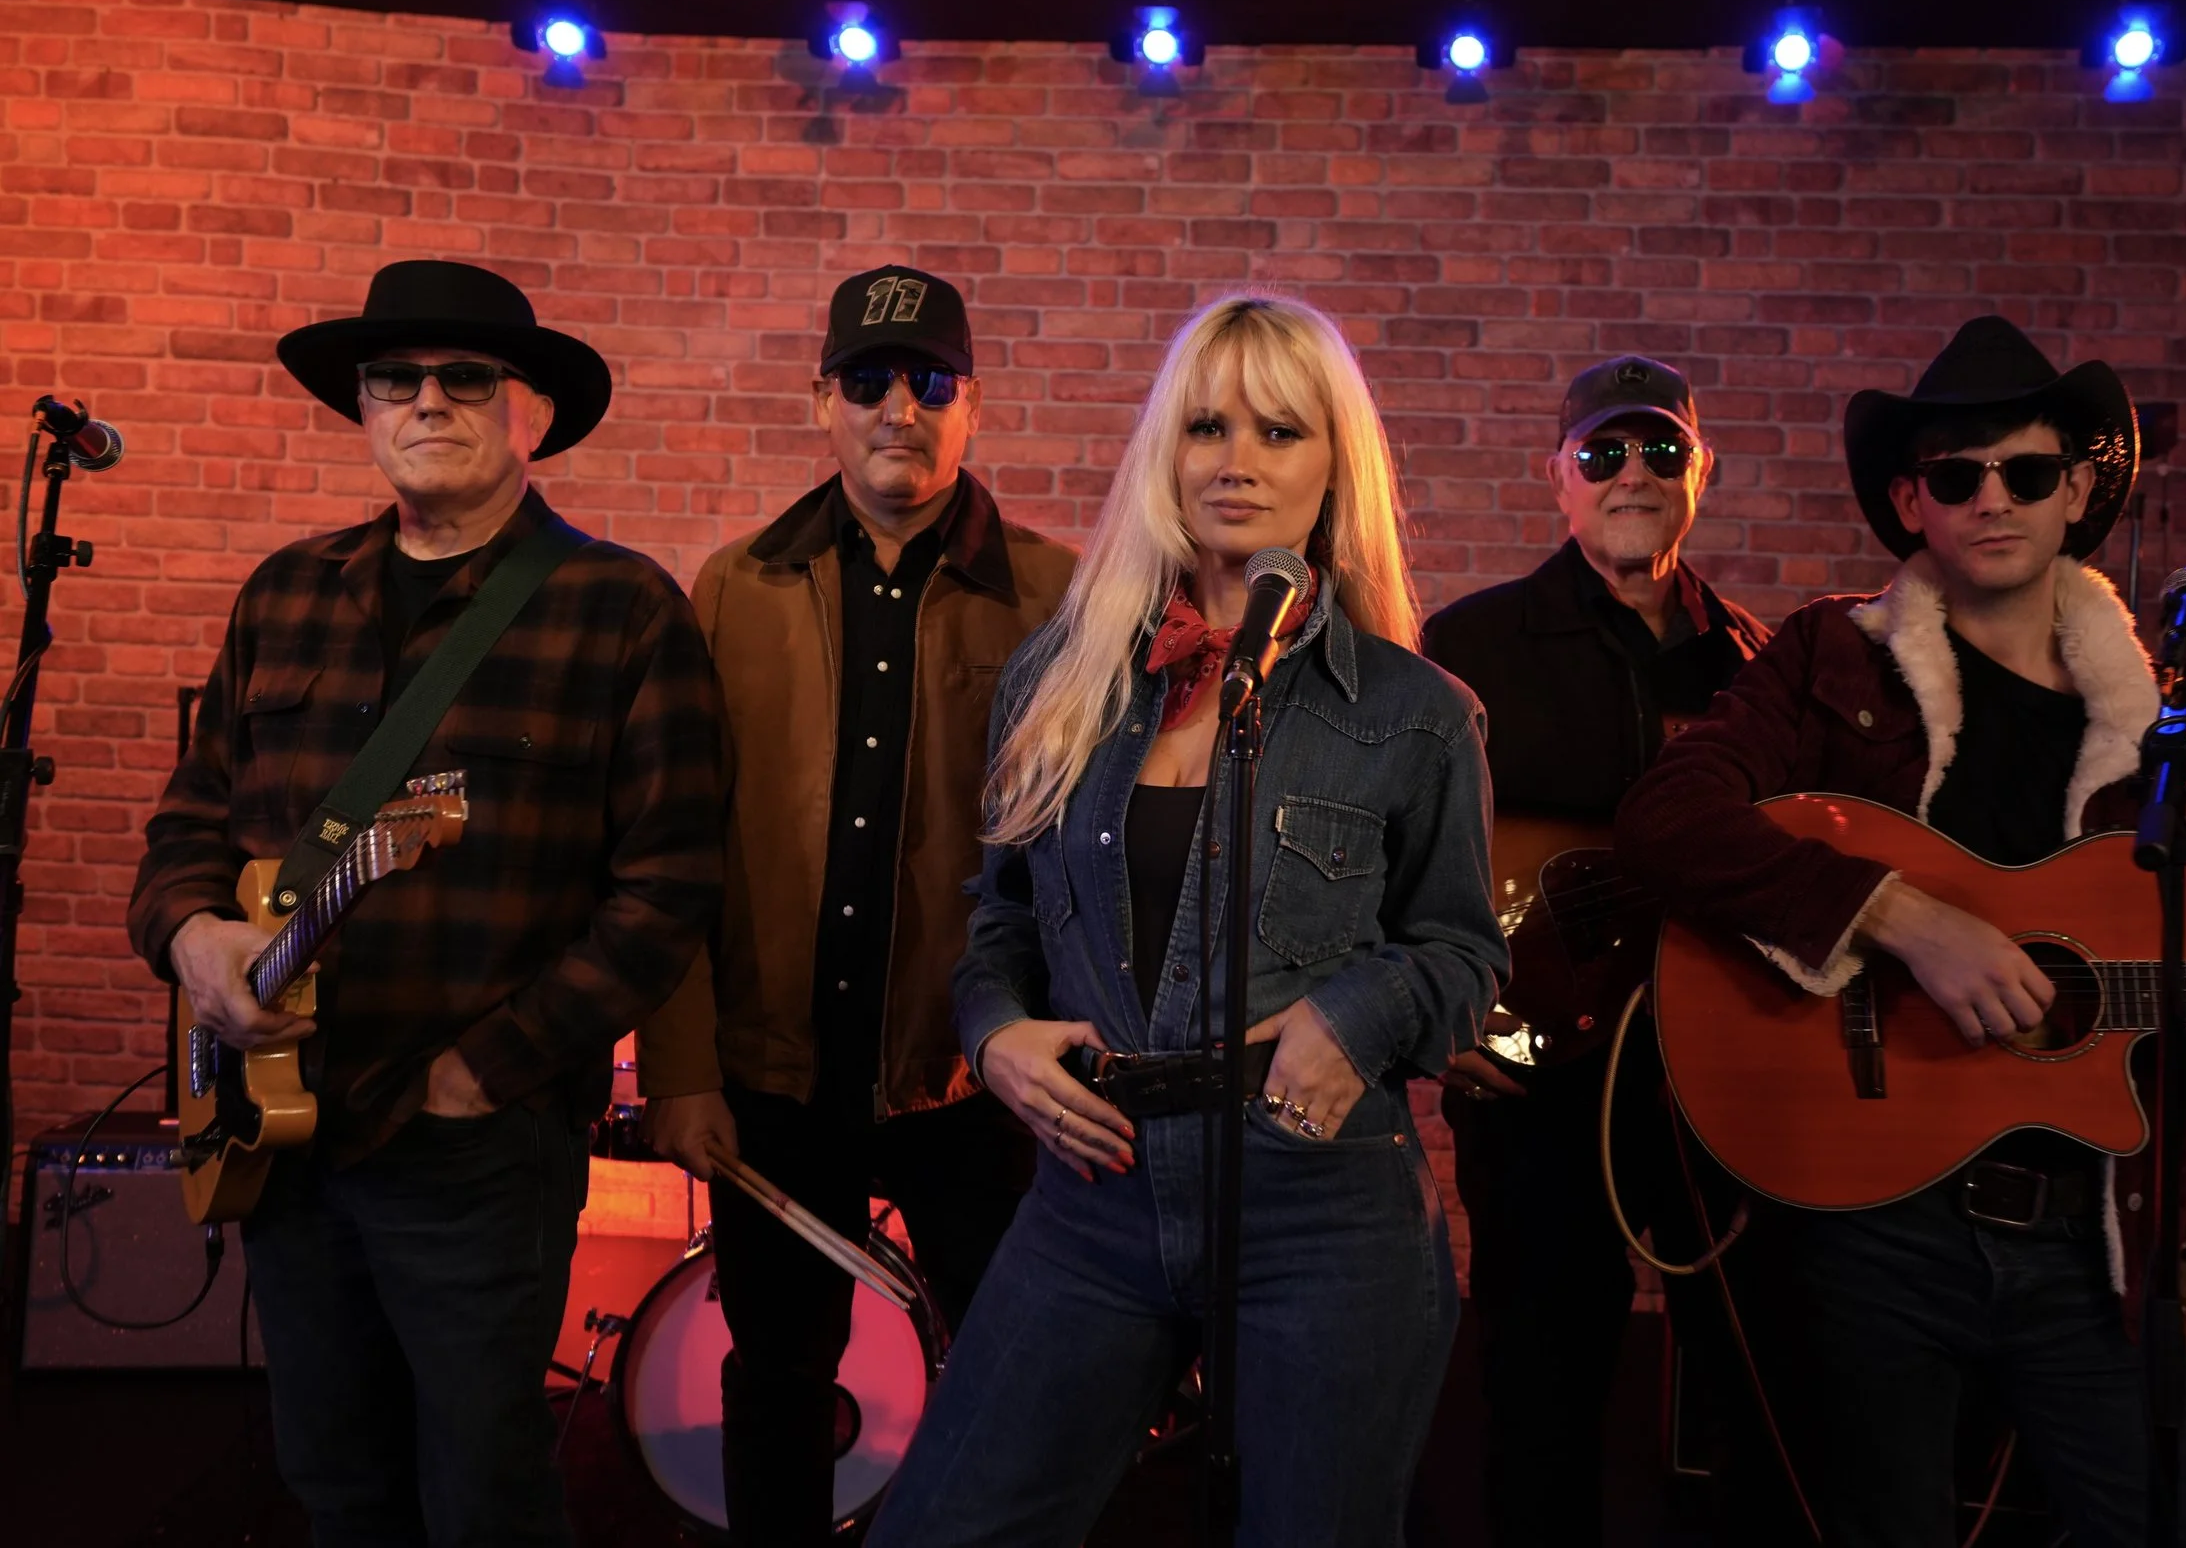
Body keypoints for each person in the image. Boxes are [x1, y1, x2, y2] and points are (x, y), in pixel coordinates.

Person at [1613, 314, 2186, 1548]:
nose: (1993, 500)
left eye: (2026, 472)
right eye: (1956, 476)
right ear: (1910, 502)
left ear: (2078, 489)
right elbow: (1665, 818)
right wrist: (1896, 915)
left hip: (2093, 1246)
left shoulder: (2181, 736)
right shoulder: (1833, 659)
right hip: (1871, 1229)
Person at [861, 292, 1509, 1546]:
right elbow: (998, 921)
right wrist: (994, 1035)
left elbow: (1464, 953)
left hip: (1318, 1208)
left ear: (1334, 464)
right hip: (1093, 1194)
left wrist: (1355, 1016)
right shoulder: (1060, 677)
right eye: (1207, 426)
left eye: (1279, 431)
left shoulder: (1416, 711)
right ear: (1166, 449)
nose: (1235, 461)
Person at [129, 259, 725, 1546]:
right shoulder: (284, 593)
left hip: (473, 1144)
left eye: (467, 378)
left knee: (484, 1493)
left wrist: (483, 1070)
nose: (427, 400)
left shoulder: (621, 608)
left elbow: (670, 885)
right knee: (333, 1479)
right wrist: (194, 937)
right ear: (363, 407)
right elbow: (188, 822)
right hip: (276, 1130)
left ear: (533, 416)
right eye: (396, 379)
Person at [635, 263, 1075, 1544]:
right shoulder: (733, 586)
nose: (901, 407)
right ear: (820, 398)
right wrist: (681, 1068)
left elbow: (1083, 858)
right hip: (775, 1079)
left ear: (972, 403)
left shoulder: (1057, 594)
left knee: (1016, 1383)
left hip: (974, 1079)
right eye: (869, 379)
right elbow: (676, 846)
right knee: (777, 1378)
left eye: (931, 380)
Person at [1420, 356, 1769, 1545]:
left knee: (1749, 1389)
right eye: (1603, 452)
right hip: (1534, 1082)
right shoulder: (1468, 644)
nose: (1633, 474)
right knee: (1539, 1396)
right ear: (1557, 478)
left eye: (1661, 451)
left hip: (1714, 1083)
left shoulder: (1755, 663)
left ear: (1699, 473)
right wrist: (1432, 1012)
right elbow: (1396, 848)